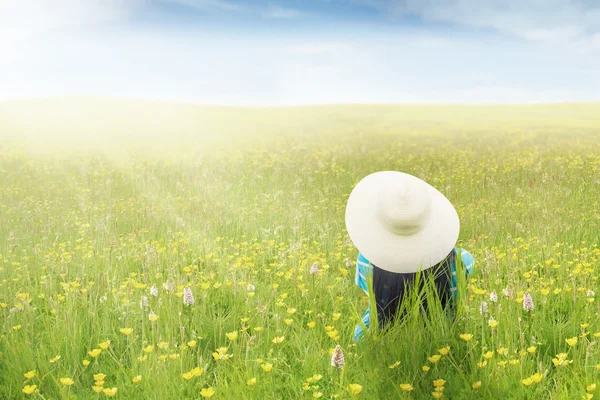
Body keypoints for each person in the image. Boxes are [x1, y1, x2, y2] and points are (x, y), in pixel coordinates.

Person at [344, 171, 474, 341]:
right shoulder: (463, 260)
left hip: (375, 336)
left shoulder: (366, 260)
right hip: (442, 340)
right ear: (432, 217)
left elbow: (372, 298)